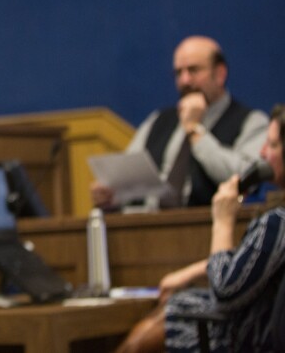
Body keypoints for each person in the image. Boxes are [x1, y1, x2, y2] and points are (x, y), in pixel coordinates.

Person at [115, 105, 285, 353]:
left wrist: (223, 220)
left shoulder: (277, 222)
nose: (261, 152)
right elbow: (250, 264)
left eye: (272, 145)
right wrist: (194, 271)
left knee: (171, 313)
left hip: (246, 336)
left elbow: (225, 293)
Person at [92, 36, 268, 209]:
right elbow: (126, 180)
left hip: (211, 227)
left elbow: (247, 179)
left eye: (193, 70)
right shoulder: (158, 120)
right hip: (151, 227)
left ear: (220, 74)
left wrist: (195, 130)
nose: (185, 80)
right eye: (179, 73)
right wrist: (110, 194)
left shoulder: (251, 122)